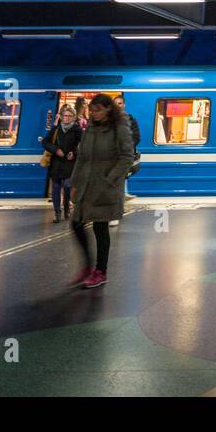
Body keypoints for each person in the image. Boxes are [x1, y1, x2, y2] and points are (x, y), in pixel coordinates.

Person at [67, 93, 134, 290]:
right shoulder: (90, 129)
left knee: (100, 228)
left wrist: (110, 179)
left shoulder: (119, 128)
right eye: (91, 110)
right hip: (87, 185)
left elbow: (126, 157)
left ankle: (100, 272)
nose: (93, 114)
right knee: (76, 223)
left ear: (108, 109)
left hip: (105, 187)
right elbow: (82, 158)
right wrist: (75, 184)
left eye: (98, 110)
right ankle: (87, 267)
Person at [42, 105, 81, 222]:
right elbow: (45, 142)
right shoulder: (56, 129)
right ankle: (57, 213)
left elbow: (83, 145)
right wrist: (55, 150)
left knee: (68, 186)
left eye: (70, 116)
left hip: (70, 163)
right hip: (56, 163)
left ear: (74, 117)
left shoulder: (78, 130)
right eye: (65, 115)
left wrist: (74, 153)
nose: (67, 118)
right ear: (62, 116)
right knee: (55, 188)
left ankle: (67, 209)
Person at [112, 94, 141, 222]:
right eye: (115, 103)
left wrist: (126, 148)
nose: (118, 106)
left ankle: (117, 211)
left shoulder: (131, 120)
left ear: (124, 105)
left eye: (120, 103)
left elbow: (136, 137)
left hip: (123, 157)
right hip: (110, 157)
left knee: (118, 183)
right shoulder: (107, 120)